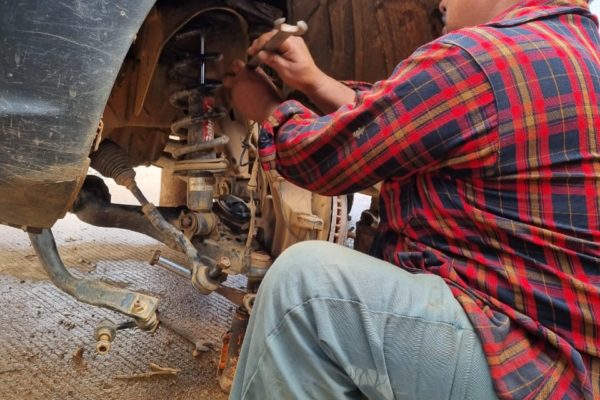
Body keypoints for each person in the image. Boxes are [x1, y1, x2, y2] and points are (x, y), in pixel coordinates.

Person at [224, 0, 600, 398]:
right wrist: (314, 81)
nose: (441, 3)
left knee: (304, 292)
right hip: (574, 361)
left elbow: (326, 159)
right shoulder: (578, 51)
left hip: (523, 365)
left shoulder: (478, 58)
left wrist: (266, 107)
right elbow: (406, 122)